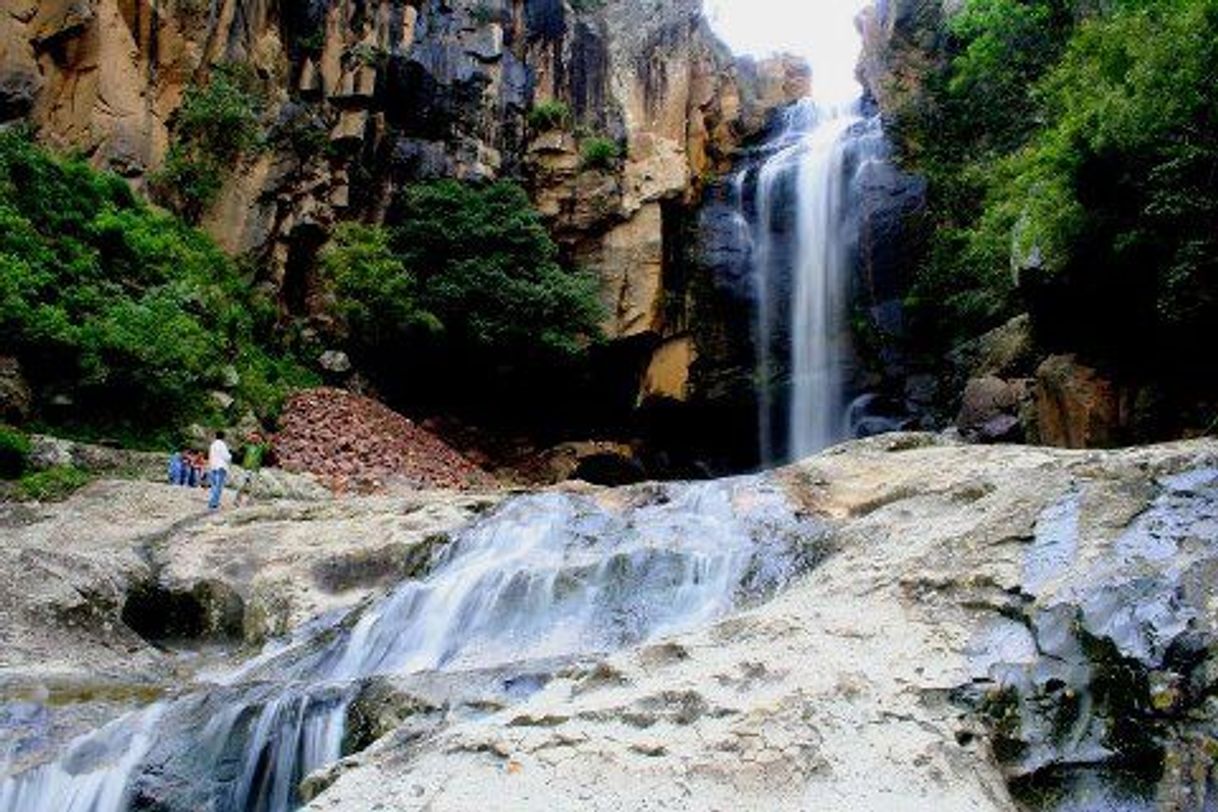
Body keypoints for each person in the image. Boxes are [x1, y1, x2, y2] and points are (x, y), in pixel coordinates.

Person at [234, 432, 269, 507]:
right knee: (241, 485)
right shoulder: (248, 446)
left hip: (255, 469)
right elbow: (240, 447)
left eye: (256, 438)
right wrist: (247, 440)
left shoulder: (260, 447)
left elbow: (267, 449)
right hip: (246, 468)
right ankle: (237, 500)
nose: (254, 439)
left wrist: (261, 441)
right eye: (253, 438)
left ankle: (250, 502)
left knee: (253, 487)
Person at [208, 430, 232, 510]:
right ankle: (214, 503)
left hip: (213, 466)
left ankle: (212, 501)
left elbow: (210, 456)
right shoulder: (222, 444)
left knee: (213, 485)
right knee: (218, 486)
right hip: (221, 467)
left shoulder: (212, 444)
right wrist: (231, 455)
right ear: (223, 437)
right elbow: (226, 456)